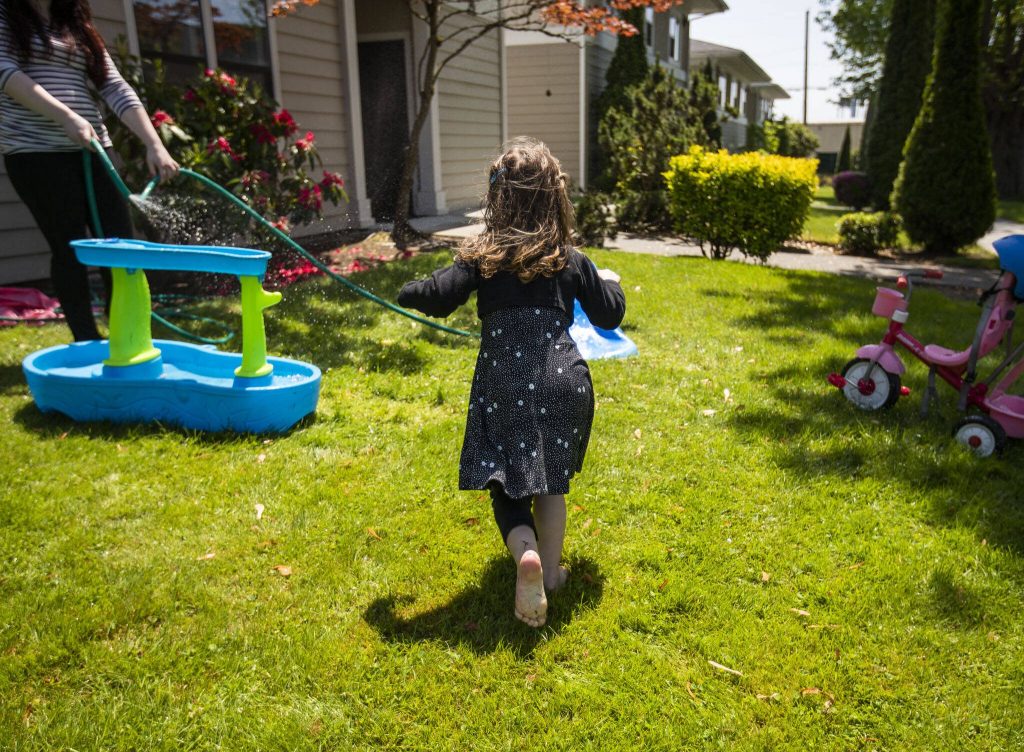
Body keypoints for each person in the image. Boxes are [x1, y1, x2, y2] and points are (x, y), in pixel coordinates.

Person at [398, 138, 625, 628]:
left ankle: (525, 552)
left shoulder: (481, 256)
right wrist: (613, 281)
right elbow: (609, 315)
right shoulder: (571, 258)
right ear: (555, 198)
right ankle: (553, 571)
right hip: (565, 381)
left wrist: (406, 291)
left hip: (505, 383)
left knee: (504, 478)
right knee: (551, 480)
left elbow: (437, 296)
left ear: (497, 200)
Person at [0, 0, 178, 341]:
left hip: (94, 148)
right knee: (70, 248)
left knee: (121, 246)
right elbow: (5, 72)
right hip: (36, 154)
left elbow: (113, 84)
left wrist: (154, 143)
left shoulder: (73, 22)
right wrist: (65, 116)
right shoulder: (6, 14)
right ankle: (86, 341)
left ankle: (127, 338)